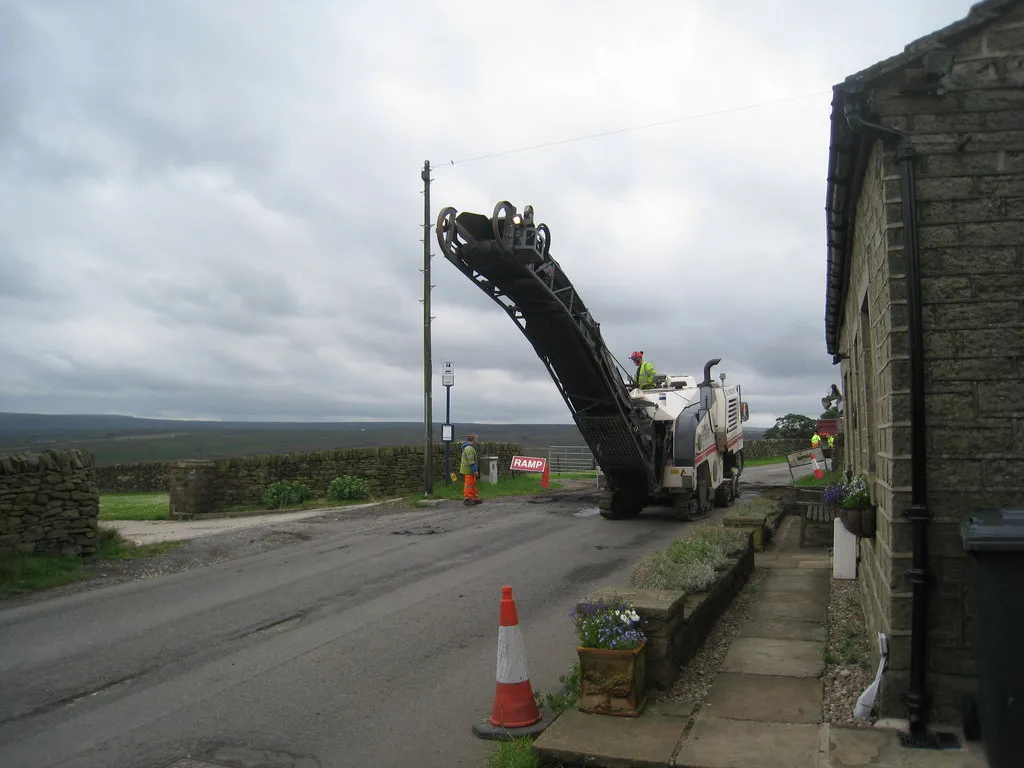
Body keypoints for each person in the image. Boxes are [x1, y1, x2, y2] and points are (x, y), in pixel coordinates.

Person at [459, 433, 483, 505]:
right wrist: (475, 470)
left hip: (469, 470)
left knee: (473, 484)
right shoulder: (469, 448)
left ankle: (474, 497)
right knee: (469, 484)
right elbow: (471, 461)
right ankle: (468, 498)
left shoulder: (468, 447)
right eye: (476, 439)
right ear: (473, 439)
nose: (476, 440)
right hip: (468, 470)